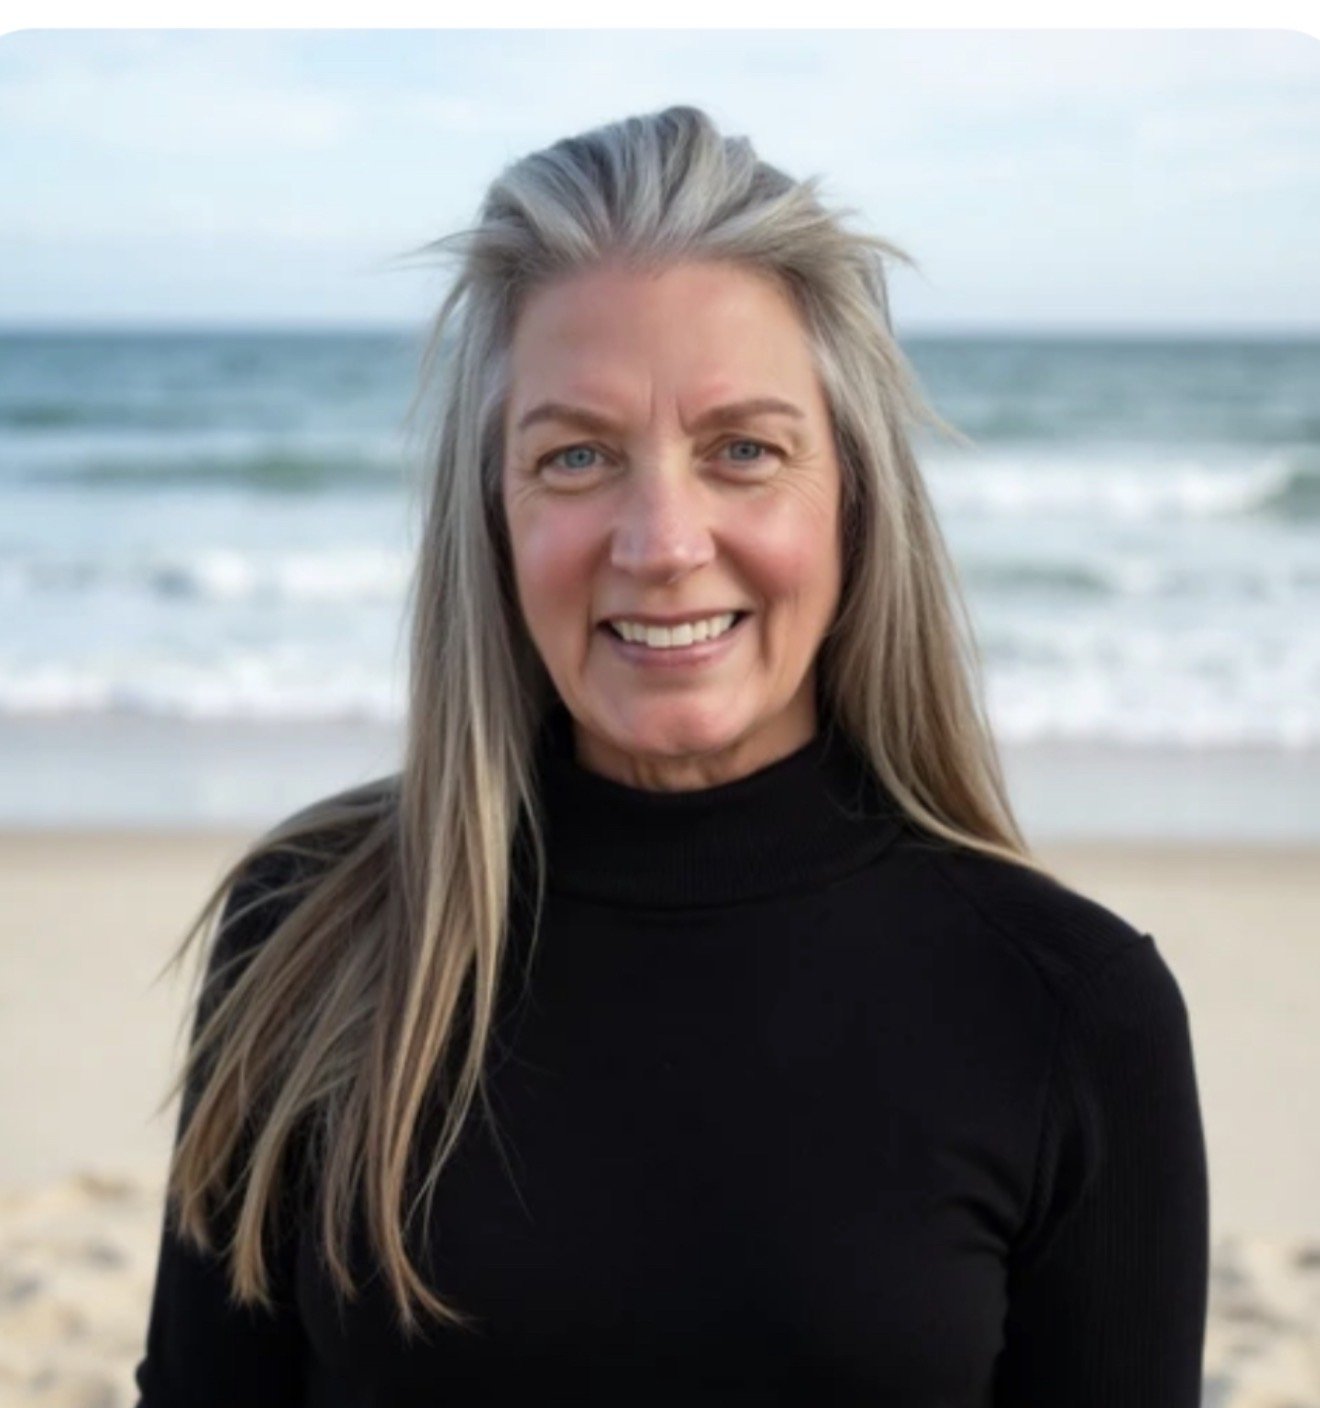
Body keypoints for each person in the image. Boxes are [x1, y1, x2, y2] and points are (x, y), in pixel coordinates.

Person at [134, 105, 1209, 1406]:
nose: (661, 543)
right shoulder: (315, 929)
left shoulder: (1069, 1012)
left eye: (743, 451)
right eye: (577, 456)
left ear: (854, 495)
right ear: (493, 512)